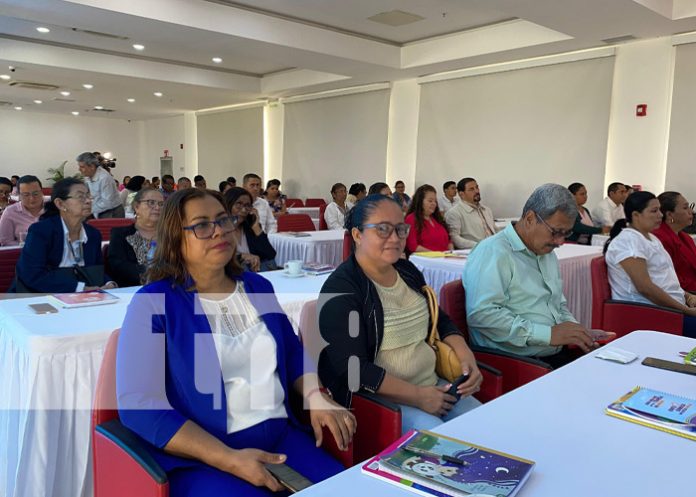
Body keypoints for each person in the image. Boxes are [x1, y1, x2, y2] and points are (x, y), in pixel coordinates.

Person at [116, 188, 354, 496]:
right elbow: (140, 406)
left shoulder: (257, 286)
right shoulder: (154, 303)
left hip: (281, 439)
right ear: (176, 237)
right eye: (201, 225)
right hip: (205, 457)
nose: (219, 232)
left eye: (223, 220)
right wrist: (228, 459)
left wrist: (315, 395)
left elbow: (292, 351)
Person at [317, 194, 482, 433]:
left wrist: (465, 354)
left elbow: (439, 319)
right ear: (357, 235)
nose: (394, 238)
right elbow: (353, 368)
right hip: (381, 399)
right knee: (444, 445)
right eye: (382, 229)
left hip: (432, 384)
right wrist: (418, 396)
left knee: (485, 427)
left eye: (400, 229)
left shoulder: (407, 271)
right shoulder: (342, 289)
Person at [464, 184, 599, 368]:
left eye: (567, 233)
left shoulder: (546, 252)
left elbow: (557, 304)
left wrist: (577, 332)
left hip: (552, 353)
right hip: (515, 362)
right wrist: (548, 335)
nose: (560, 242)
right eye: (556, 232)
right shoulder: (494, 251)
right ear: (530, 218)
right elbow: (482, 315)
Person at [604, 191, 696, 337]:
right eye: (654, 211)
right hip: (650, 313)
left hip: (671, 307)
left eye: (659, 209)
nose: (660, 215)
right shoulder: (628, 242)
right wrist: (685, 310)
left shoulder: (651, 238)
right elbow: (645, 288)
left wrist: (687, 296)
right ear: (636, 215)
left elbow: (663, 278)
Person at [12, 178, 116, 293]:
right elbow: (31, 274)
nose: (88, 201)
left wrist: (109, 283)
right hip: (42, 296)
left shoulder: (93, 234)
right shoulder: (42, 231)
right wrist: (79, 288)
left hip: (84, 298)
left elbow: (97, 271)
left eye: (88, 196)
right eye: (81, 197)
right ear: (60, 204)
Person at [108, 188, 163, 287]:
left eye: (161, 204)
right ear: (136, 206)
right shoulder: (120, 234)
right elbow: (117, 266)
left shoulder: (171, 235)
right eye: (151, 202)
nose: (157, 207)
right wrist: (155, 273)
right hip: (133, 291)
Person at [224, 187, 278, 272]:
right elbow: (215, 257)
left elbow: (270, 255)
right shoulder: (219, 229)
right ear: (228, 205)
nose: (243, 210)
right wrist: (241, 256)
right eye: (238, 204)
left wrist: (256, 227)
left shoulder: (249, 227)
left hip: (252, 273)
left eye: (247, 205)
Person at [653, 192, 696, 292]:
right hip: (682, 292)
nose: (691, 211)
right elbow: (670, 278)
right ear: (669, 214)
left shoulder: (685, 237)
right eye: (685, 208)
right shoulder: (659, 238)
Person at [445, 177, 497, 249]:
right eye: (471, 189)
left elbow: (495, 230)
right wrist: (479, 246)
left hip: (494, 249)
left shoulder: (486, 210)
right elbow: (454, 238)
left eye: (477, 187)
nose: (476, 191)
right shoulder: (454, 213)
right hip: (474, 252)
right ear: (461, 194)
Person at [405, 184, 452, 253]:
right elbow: (413, 246)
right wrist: (435, 255)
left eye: (435, 201)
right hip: (426, 260)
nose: (434, 204)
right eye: (430, 201)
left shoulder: (436, 218)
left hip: (445, 258)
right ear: (420, 201)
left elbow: (449, 240)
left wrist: (450, 250)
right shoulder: (411, 219)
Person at [0, 175, 45, 246]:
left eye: (35, 194)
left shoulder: (53, 208)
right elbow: (5, 241)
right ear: (19, 196)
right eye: (26, 195)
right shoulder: (10, 212)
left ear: (42, 192)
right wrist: (26, 245)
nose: (32, 198)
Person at [77, 152, 124, 218]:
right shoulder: (88, 176)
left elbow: (107, 203)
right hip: (99, 209)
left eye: (82, 167)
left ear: (92, 167)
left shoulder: (104, 178)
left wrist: (89, 210)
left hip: (111, 212)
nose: (79, 169)